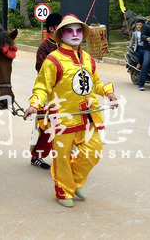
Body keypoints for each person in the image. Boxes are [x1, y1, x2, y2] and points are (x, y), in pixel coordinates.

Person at [23, 14, 119, 208]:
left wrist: (108, 93)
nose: (75, 34)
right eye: (69, 30)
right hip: (63, 118)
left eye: (78, 30)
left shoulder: (88, 58)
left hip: (89, 116)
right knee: (62, 159)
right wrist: (34, 104)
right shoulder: (53, 60)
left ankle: (73, 183)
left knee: (94, 152)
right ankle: (64, 191)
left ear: (83, 34)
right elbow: (42, 86)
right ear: (61, 34)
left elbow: (96, 82)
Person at [30, 11, 62, 170]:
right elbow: (40, 70)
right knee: (47, 126)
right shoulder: (44, 48)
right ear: (51, 28)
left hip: (68, 94)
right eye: (59, 26)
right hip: (49, 93)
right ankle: (37, 156)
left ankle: (66, 156)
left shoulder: (68, 46)